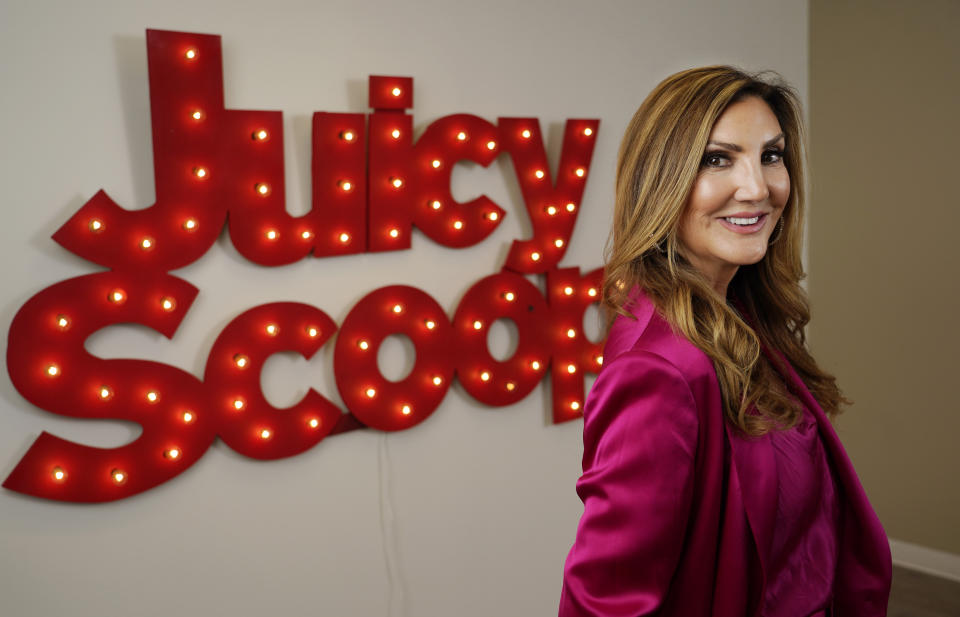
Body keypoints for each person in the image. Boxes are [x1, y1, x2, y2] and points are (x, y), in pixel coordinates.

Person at [558, 66, 892, 616]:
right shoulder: (660, 370)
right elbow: (605, 601)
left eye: (771, 155)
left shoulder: (739, 315)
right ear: (661, 181)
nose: (759, 188)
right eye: (718, 159)